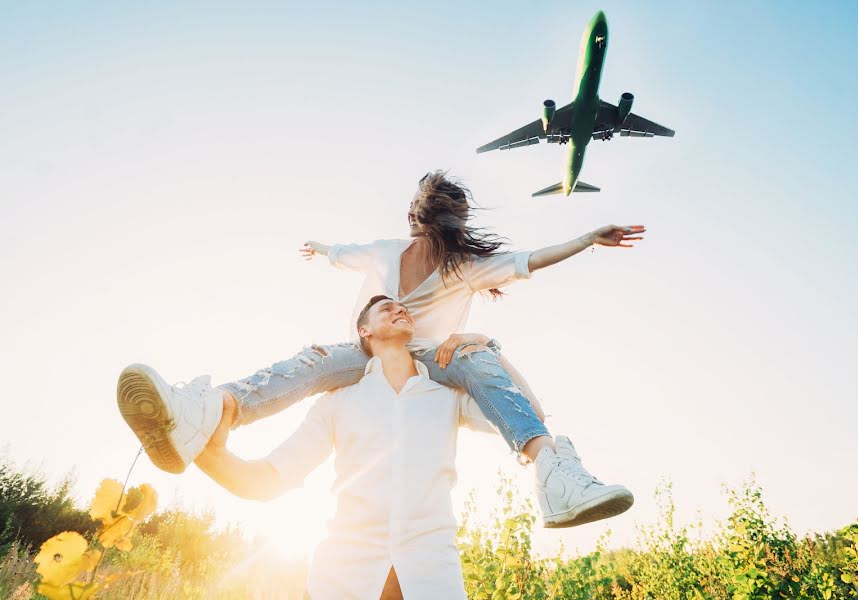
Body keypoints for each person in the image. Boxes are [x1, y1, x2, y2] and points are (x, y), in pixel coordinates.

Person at [117, 171, 644, 527]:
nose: (428, 229)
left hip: (436, 362)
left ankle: (553, 473)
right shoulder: (385, 252)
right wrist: (321, 248)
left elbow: (529, 259)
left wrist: (585, 239)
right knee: (313, 361)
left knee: (477, 356)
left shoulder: (464, 266)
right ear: (416, 219)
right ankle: (207, 413)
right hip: (365, 353)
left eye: (439, 221)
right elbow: (341, 252)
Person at [194, 296, 631, 599]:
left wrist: (488, 349)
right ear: (364, 332)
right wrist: (208, 456)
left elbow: (530, 414)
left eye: (402, 307)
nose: (398, 308)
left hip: (431, 578)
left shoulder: (446, 398)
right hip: (340, 581)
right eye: (386, 308)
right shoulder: (337, 402)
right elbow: (271, 479)